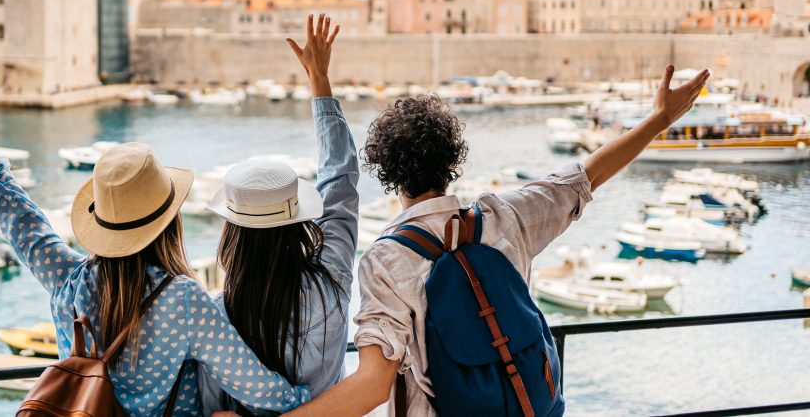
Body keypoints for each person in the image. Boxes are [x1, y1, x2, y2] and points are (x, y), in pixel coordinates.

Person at [0, 34, 310, 416]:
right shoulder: (183, 300)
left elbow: (3, 193)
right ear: (169, 222)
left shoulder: (66, 278)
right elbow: (261, 390)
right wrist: (324, 395)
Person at [259, 63, 710, 417]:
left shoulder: (385, 260)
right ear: (452, 161)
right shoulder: (503, 216)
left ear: (388, 173)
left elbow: (373, 384)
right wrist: (660, 119)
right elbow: (588, 175)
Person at [200, 14, 359, 414]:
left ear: (233, 232)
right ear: (297, 220)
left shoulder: (218, 317)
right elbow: (340, 177)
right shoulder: (333, 278)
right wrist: (319, 81)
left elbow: (212, 408)